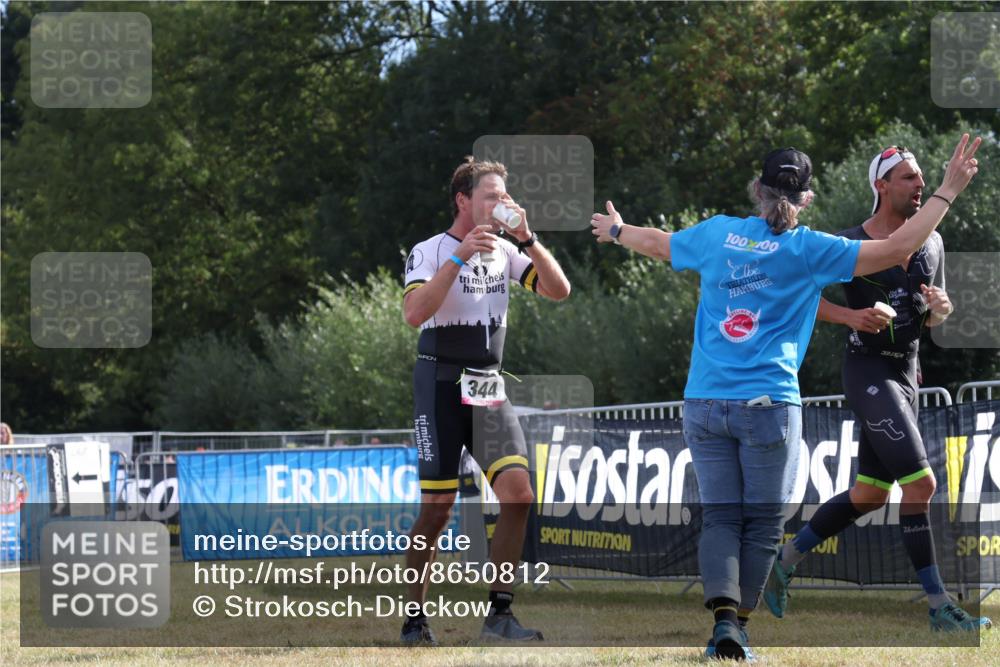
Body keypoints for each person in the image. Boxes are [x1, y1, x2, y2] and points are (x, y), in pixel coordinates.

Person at [591, 134, 981, 660]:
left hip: (704, 403)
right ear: (807, 199)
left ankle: (723, 623)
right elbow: (894, 249)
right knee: (762, 525)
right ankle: (737, 630)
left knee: (723, 518)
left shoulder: (719, 234)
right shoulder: (810, 248)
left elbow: (658, 243)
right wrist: (948, 191)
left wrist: (616, 230)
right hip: (769, 407)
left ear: (758, 189)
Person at [764, 145, 992, 632]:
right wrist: (850, 316)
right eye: (908, 177)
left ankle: (783, 561)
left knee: (870, 494)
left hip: (908, 376)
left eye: (922, 177)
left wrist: (942, 308)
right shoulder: (848, 243)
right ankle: (939, 608)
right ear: (881, 186)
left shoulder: (932, 241)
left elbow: (933, 318)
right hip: (868, 372)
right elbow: (796, 293)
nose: (919, 185)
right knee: (923, 484)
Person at [400, 156, 571, 645]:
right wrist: (458, 258)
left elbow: (559, 291)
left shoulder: (505, 250)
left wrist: (530, 241)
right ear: (463, 201)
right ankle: (414, 618)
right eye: (491, 196)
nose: (502, 204)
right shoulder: (429, 250)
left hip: (487, 385)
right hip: (438, 385)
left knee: (518, 494)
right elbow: (414, 313)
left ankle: (499, 615)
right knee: (437, 509)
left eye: (504, 196)